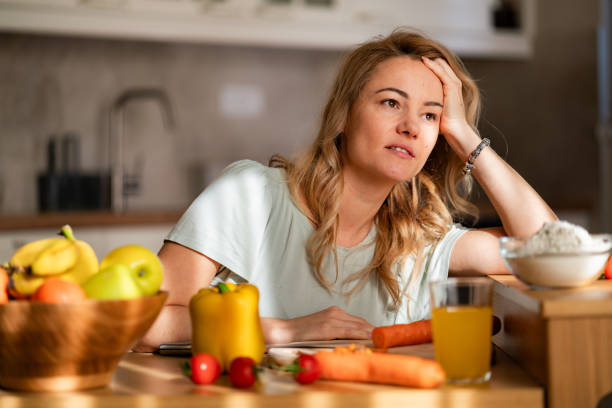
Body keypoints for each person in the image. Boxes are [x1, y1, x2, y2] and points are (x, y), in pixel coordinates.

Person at [133, 29, 557, 352]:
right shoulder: (249, 196)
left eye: (430, 115)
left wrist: (465, 136)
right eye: (391, 103)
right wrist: (283, 330)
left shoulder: (422, 240)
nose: (410, 126)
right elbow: (144, 322)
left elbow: (550, 251)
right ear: (342, 116)